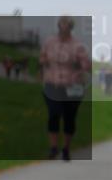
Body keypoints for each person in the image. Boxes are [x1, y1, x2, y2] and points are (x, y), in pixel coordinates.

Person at [39, 15, 92, 162]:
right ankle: (53, 147)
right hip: (52, 84)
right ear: (58, 26)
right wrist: (44, 61)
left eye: (66, 24)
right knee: (54, 114)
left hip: (72, 87)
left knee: (69, 118)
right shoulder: (49, 42)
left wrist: (81, 65)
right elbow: (42, 57)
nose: (63, 27)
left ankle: (66, 148)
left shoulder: (78, 45)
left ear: (71, 27)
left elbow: (87, 65)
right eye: (61, 24)